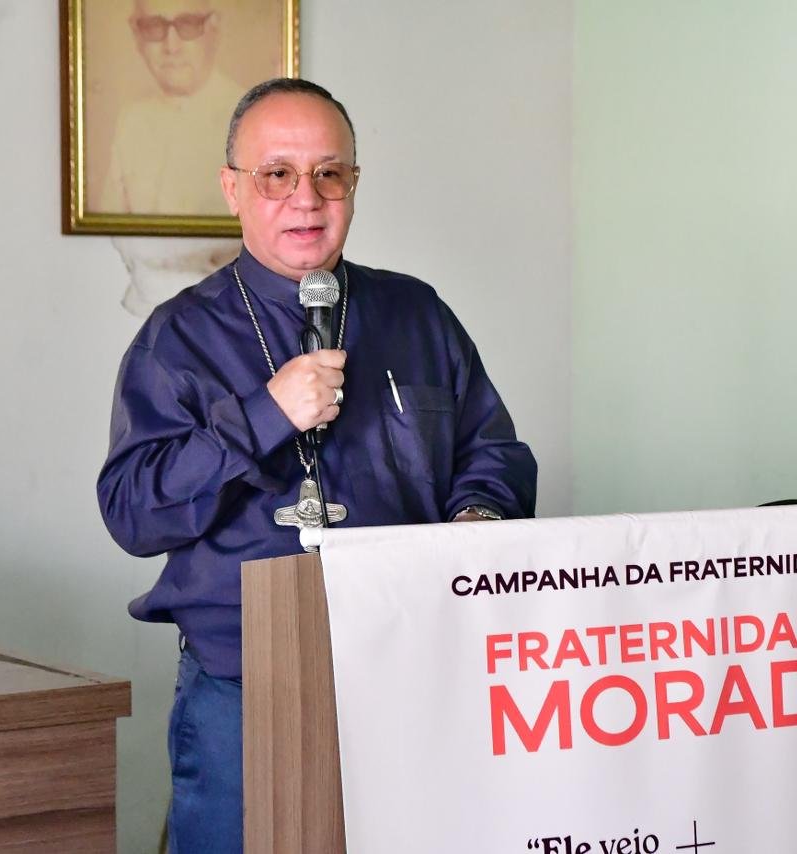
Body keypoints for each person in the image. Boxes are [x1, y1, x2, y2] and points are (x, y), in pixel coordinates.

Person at [97, 78, 537, 852]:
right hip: (245, 686)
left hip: (411, 668)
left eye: (329, 173)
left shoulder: (417, 314)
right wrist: (264, 415)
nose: (307, 197)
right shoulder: (178, 338)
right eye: (277, 174)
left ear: (354, 186)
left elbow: (492, 451)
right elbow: (134, 512)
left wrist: (477, 517)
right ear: (233, 188)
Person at [99, 0, 243, 215]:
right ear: (136, 35)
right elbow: (108, 226)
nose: (172, 47)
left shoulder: (250, 117)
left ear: (214, 28)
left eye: (188, 24)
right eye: (154, 27)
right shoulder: (131, 121)